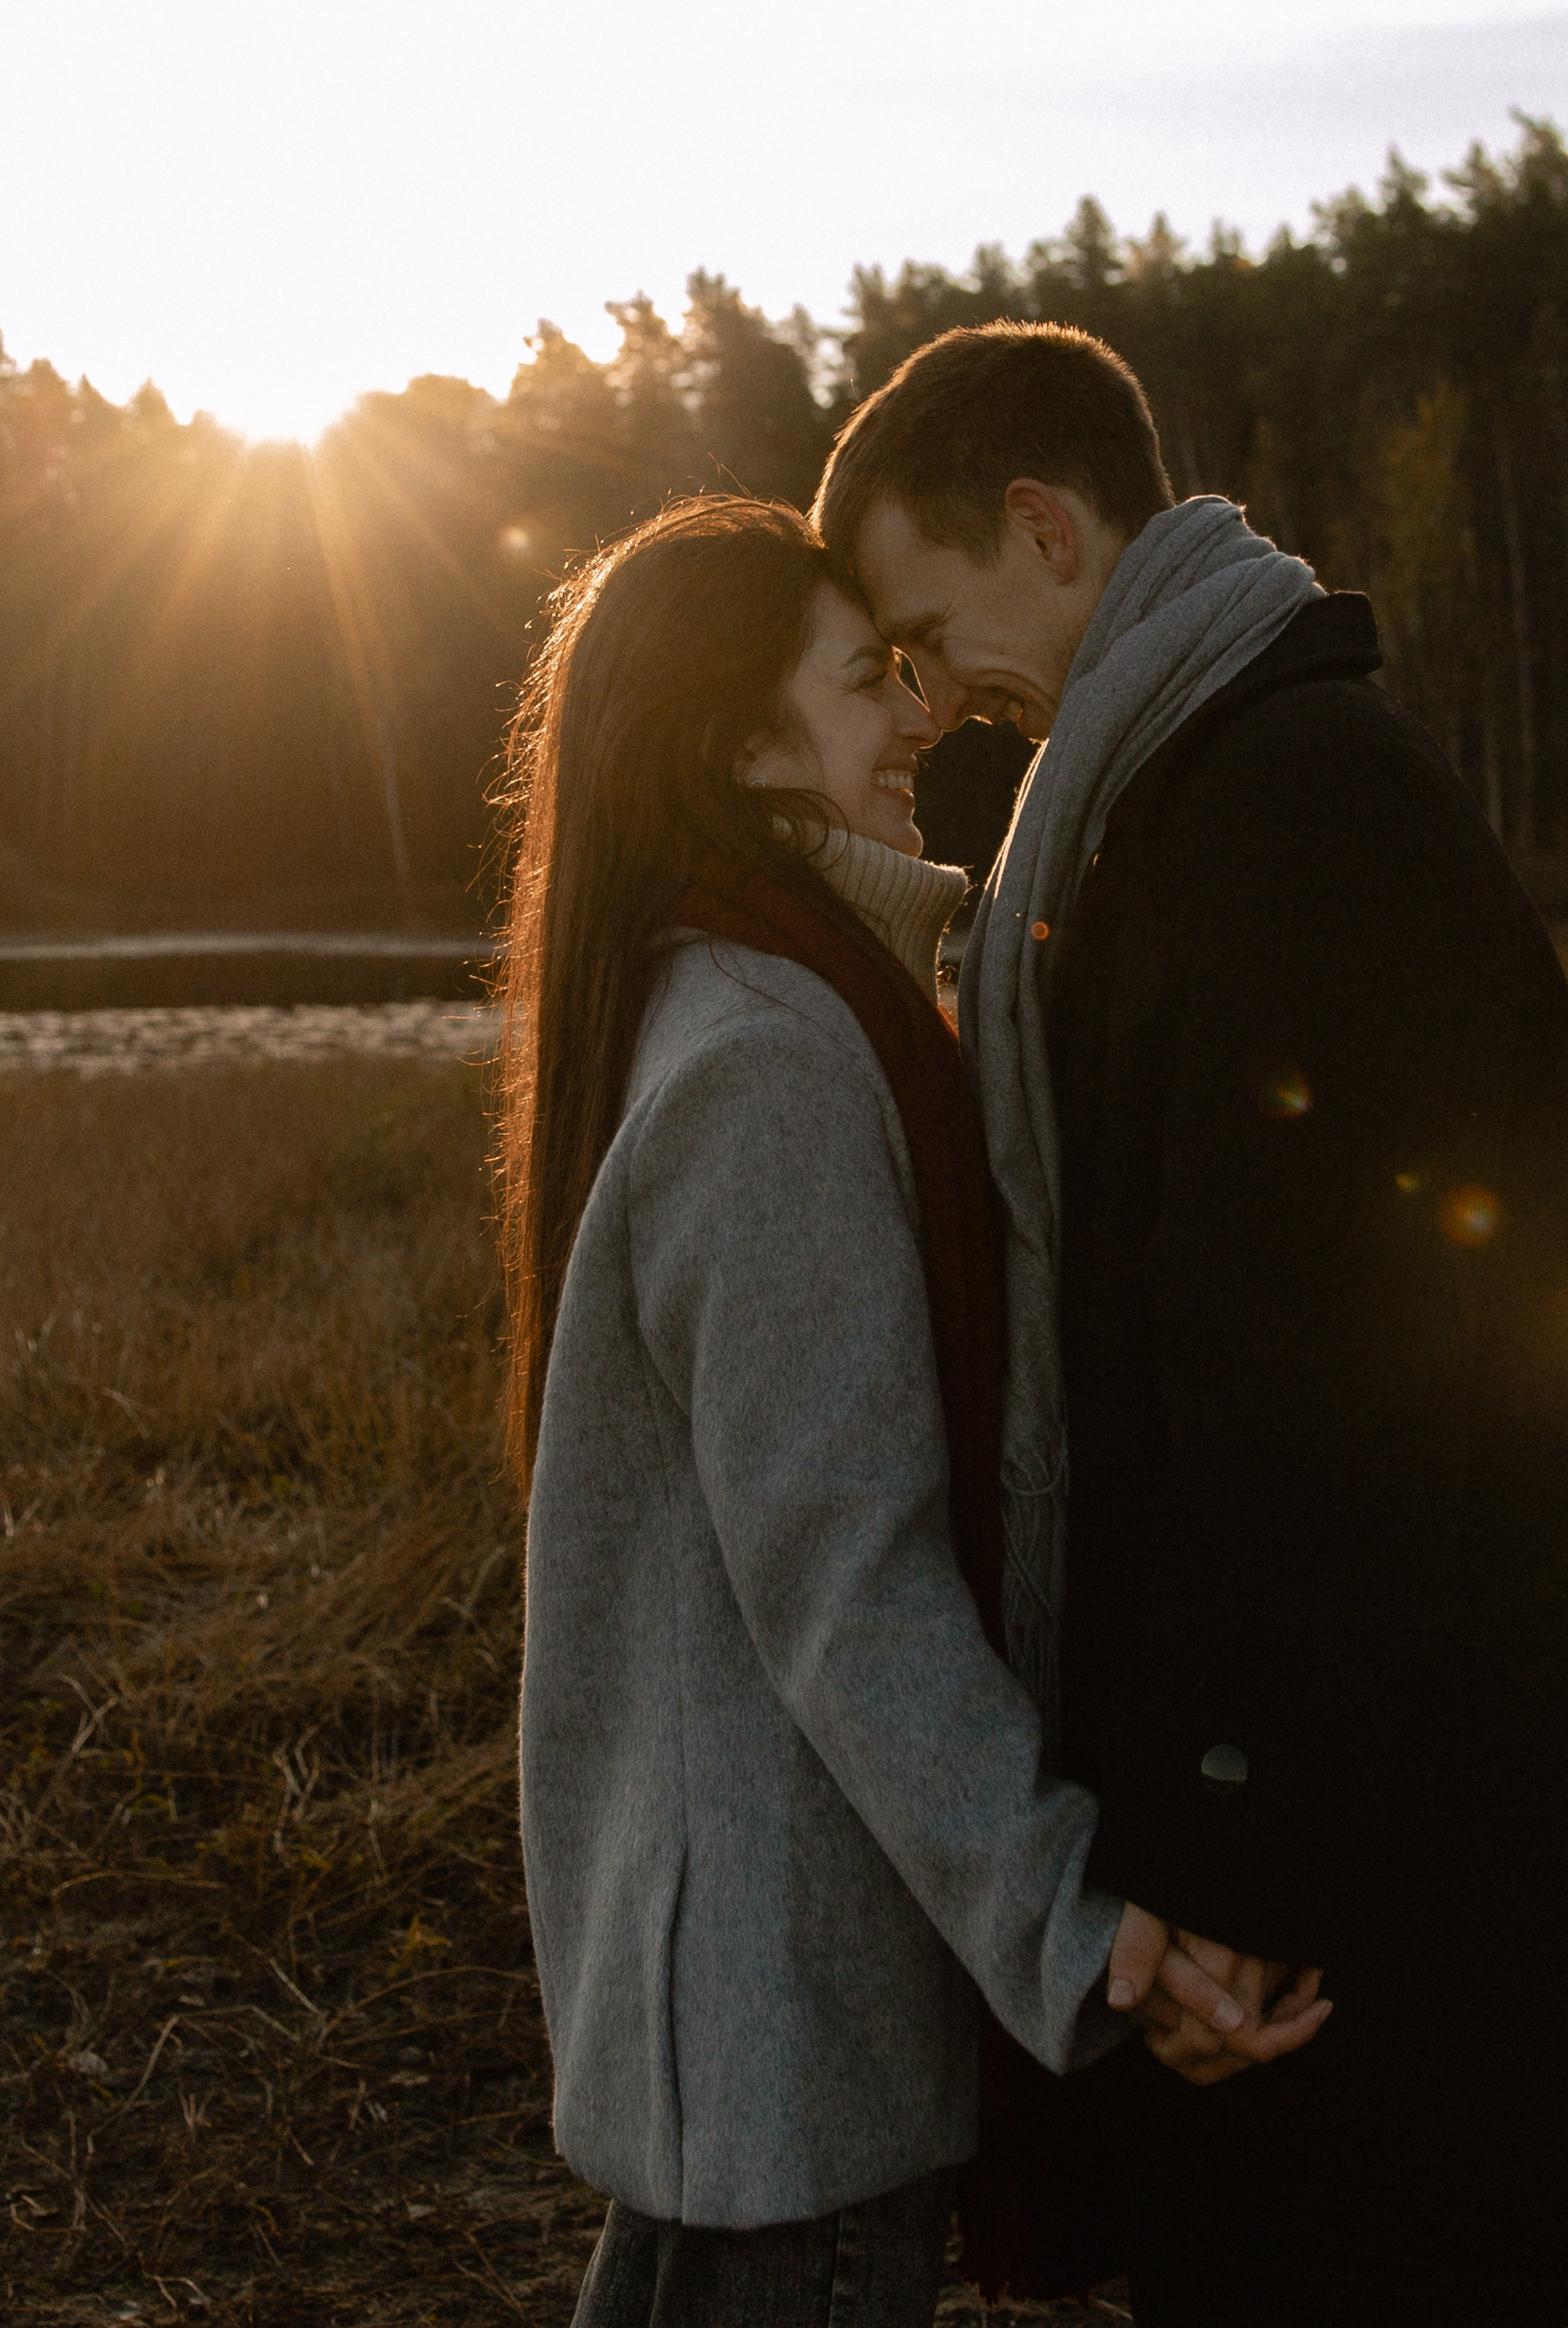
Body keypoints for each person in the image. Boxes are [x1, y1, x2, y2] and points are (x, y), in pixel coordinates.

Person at [813, 318, 1568, 2325]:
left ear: (1045, 529)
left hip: (1381, 1893)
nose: (928, 690)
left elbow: (1331, 1396)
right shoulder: (1176, 787)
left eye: (923, 620)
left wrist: (1230, 1882)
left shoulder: (1287, 807)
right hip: (1348, 1838)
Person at [499, 495, 1325, 2328]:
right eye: (866, 679)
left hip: (738, 2028)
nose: (916, 719)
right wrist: (1077, 1929)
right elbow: (846, 1580)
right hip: (785, 2038)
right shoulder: (777, 1062)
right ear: (734, 742)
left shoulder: (742, 1008)